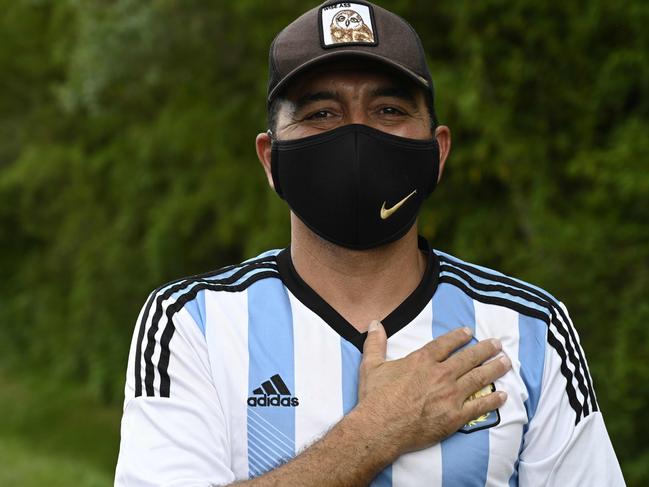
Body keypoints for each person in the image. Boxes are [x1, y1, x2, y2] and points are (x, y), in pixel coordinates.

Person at [115, 1, 625, 485]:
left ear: (437, 151)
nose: (357, 136)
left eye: (387, 110)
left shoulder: (532, 328)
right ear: (270, 159)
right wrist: (374, 432)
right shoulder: (191, 323)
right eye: (321, 113)